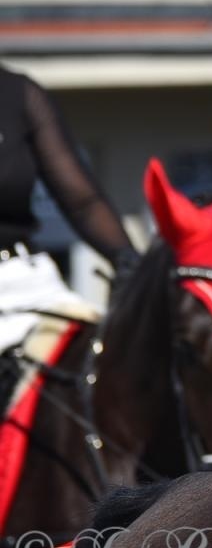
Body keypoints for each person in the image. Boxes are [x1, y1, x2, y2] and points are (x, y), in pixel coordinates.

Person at [1, 63, 139, 399]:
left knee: (107, 364)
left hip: (23, 280)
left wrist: (129, 262)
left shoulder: (17, 92)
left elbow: (83, 202)